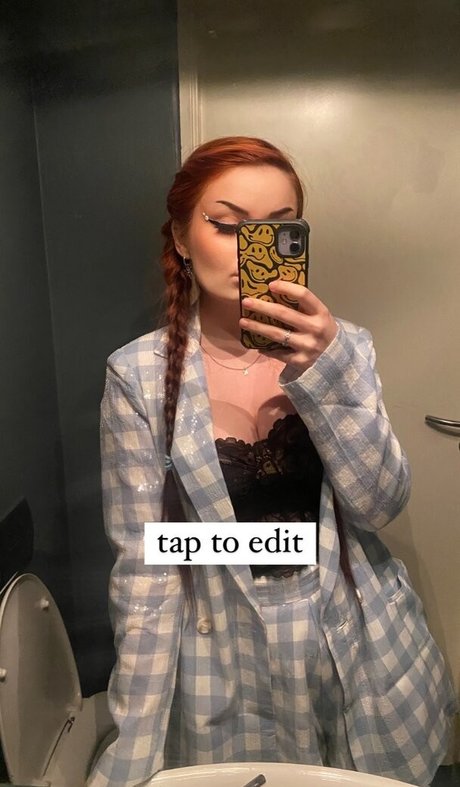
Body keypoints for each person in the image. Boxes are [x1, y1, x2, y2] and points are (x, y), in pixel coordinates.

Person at [87, 137, 455, 787]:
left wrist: (328, 372)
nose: (250, 249)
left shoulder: (345, 348)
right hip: (221, 650)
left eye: (278, 230)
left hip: (354, 640)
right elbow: (146, 563)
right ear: (181, 237)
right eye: (227, 225)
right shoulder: (138, 375)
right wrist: (134, 744)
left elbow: (380, 505)